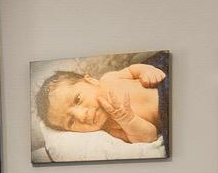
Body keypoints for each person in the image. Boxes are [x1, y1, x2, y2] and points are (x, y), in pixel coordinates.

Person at [35, 57, 167, 144]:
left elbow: (133, 71)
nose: (81, 116)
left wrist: (147, 71)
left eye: (77, 99)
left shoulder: (109, 80)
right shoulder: (111, 129)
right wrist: (128, 120)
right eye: (71, 121)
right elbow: (149, 136)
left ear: (91, 81)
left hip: (163, 82)